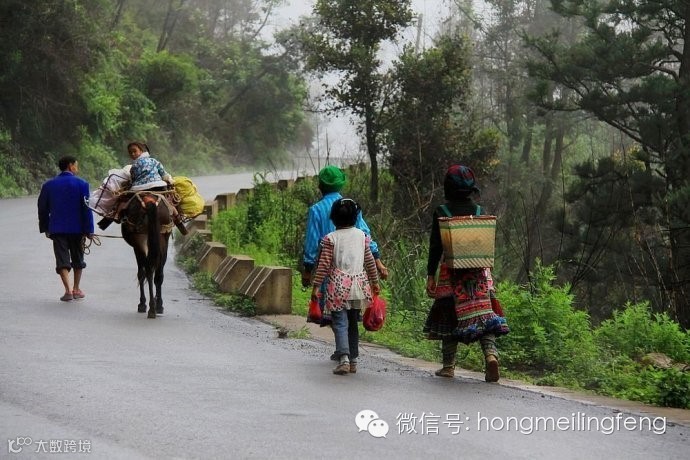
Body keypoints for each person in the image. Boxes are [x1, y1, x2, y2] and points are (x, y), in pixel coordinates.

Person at [423, 164, 509, 382]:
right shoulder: (480, 212)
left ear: (448, 188)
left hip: (451, 276)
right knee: (483, 315)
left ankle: (448, 366)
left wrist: (430, 274)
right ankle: (491, 355)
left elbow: (436, 247)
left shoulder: (442, 212)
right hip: (478, 275)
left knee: (449, 317)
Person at [301, 165, 388, 359]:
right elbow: (366, 238)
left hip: (330, 275)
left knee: (337, 315)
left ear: (320, 186)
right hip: (355, 274)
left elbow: (312, 244)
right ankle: (347, 352)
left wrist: (308, 271)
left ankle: (344, 352)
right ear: (341, 184)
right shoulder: (351, 207)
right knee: (347, 316)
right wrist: (378, 262)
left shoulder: (316, 210)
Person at [311, 198, 380, 375]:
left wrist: (316, 286)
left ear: (333, 218)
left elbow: (323, 265)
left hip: (337, 287)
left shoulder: (330, 239)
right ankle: (353, 360)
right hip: (358, 285)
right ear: (356, 217)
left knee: (340, 322)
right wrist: (375, 282)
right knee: (352, 323)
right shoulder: (362, 237)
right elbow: (370, 262)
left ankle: (344, 359)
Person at [38, 156, 95, 301]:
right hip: (78, 229)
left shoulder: (48, 185)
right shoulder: (82, 184)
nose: (77, 168)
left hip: (57, 228)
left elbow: (42, 208)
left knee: (62, 259)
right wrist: (89, 230)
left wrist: (46, 227)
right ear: (70, 166)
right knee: (78, 258)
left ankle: (68, 290)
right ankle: (76, 289)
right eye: (76, 165)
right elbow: (86, 209)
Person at [98, 142, 187, 234]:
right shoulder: (154, 161)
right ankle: (179, 222)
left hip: (139, 188)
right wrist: (169, 180)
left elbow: (133, 179)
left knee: (123, 200)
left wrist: (129, 184)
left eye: (134, 151)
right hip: (157, 186)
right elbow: (163, 174)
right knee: (169, 202)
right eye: (130, 152)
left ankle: (115, 215)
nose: (133, 154)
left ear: (141, 151)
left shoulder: (133, 166)